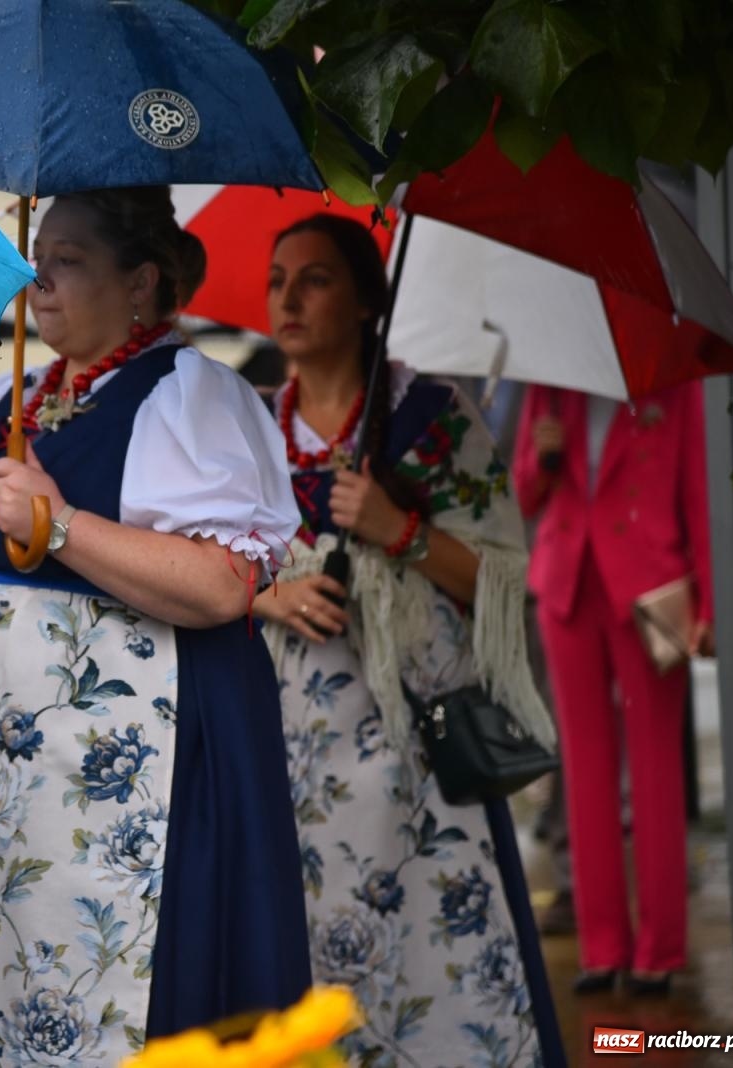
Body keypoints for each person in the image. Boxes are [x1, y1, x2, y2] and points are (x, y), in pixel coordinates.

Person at [0, 186, 310, 1065]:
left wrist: (62, 524)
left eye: (66, 261)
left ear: (141, 280)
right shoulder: (14, 398)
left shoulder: (192, 396)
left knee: (100, 994)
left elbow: (226, 584)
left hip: (125, 783)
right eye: (35, 260)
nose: (38, 282)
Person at [251, 214, 564, 1065]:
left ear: (364, 301)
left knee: (433, 953)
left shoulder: (432, 419)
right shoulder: (243, 429)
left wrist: (400, 532)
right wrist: (268, 593)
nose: (287, 297)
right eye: (278, 278)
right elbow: (207, 567)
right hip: (285, 758)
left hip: (416, 751)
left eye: (314, 278)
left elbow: (501, 583)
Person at [513, 382, 714, 996]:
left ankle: (659, 950)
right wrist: (544, 456)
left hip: (649, 585)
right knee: (584, 770)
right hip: (567, 584)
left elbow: (699, 495)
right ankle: (602, 949)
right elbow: (522, 491)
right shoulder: (549, 385)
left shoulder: (677, 388)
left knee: (656, 771)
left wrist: (709, 602)